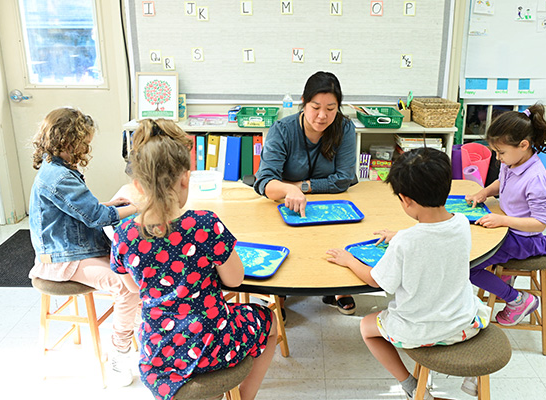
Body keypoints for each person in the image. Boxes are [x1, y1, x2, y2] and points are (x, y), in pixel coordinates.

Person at [110, 119, 277, 400]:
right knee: (269, 320)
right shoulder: (205, 224)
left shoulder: (124, 235)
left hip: (157, 354)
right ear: (186, 178)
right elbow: (235, 279)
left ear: (137, 185)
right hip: (213, 345)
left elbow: (132, 287)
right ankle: (245, 398)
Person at [326, 148, 491, 400]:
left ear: (405, 199)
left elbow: (374, 279)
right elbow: (432, 236)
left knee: (366, 327)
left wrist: (348, 260)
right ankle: (472, 376)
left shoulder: (406, 242)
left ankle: (410, 384)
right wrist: (400, 236)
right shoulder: (460, 223)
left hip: (421, 330)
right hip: (463, 321)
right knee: (472, 299)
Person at [28, 107, 140, 387]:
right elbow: (96, 218)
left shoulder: (58, 168)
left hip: (74, 249)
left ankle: (136, 326)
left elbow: (85, 210)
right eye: (84, 142)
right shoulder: (59, 177)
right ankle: (120, 351)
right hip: (61, 259)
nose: (87, 148)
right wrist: (139, 207)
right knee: (127, 286)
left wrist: (109, 206)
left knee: (134, 273)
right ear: (69, 141)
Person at [254, 71, 358, 315]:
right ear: (304, 101)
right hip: (287, 202)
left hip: (334, 200)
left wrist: (300, 186)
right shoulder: (283, 129)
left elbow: (343, 179)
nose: (322, 116)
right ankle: (278, 292)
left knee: (343, 232)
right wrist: (287, 189)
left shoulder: (344, 128)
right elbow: (265, 181)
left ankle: (339, 286)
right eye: (315, 107)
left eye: (331, 108)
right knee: (282, 235)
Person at [465, 104, 546, 327]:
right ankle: (503, 276)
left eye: (501, 153)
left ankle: (518, 300)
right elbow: (503, 182)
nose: (497, 158)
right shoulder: (514, 161)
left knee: (468, 265)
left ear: (524, 145)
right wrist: (485, 191)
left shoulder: (536, 179)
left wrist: (503, 220)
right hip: (508, 229)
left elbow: (539, 223)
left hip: (523, 239)